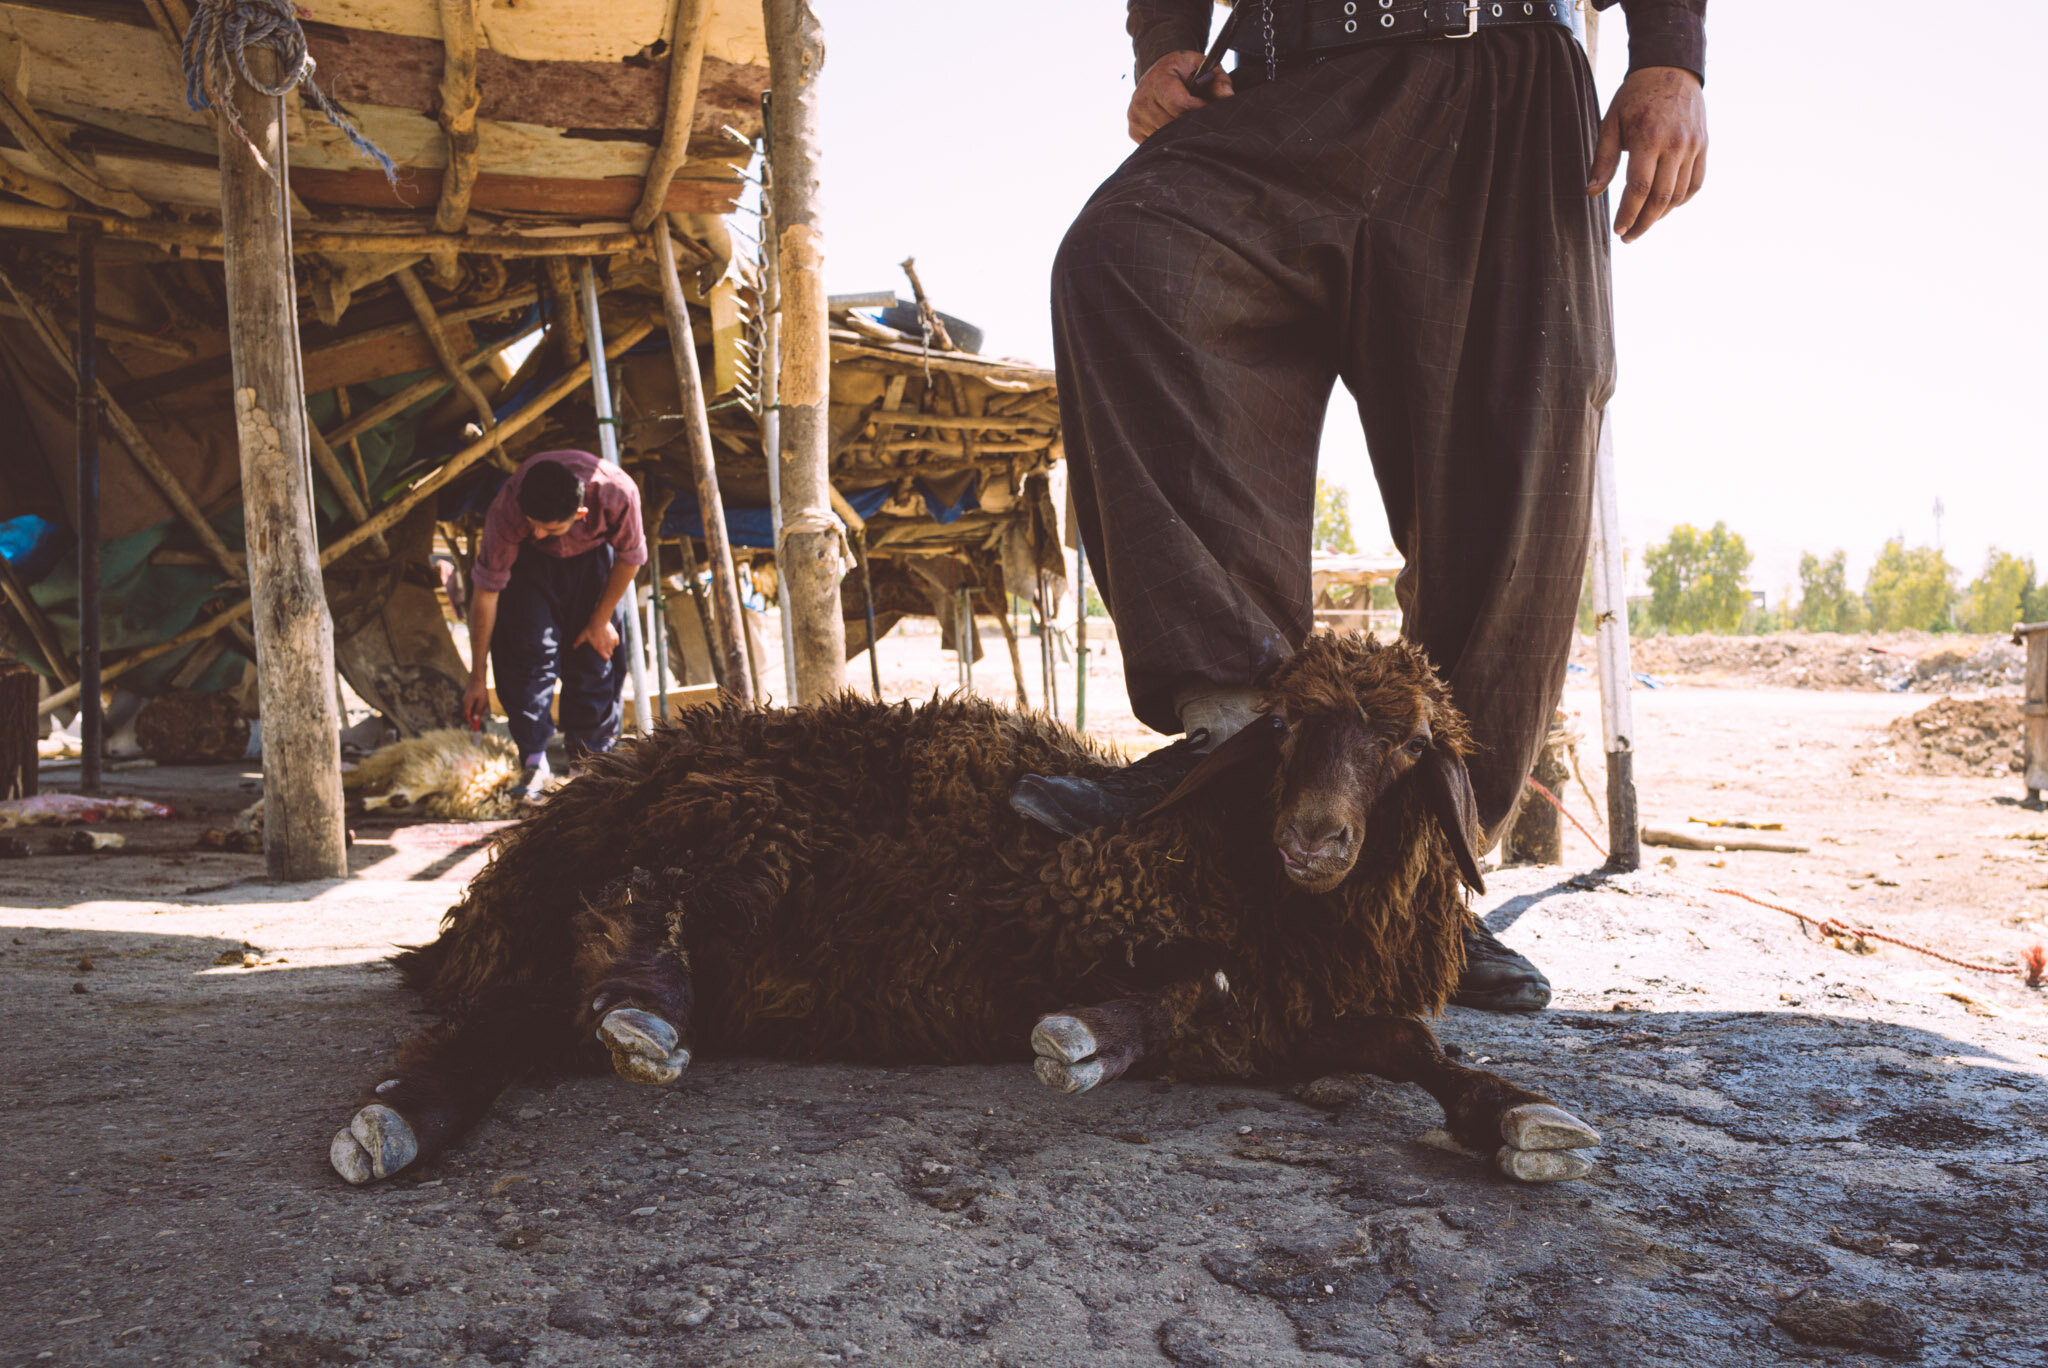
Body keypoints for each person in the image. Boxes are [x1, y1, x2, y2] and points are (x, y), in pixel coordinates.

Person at [1011, 0, 1707, 1011]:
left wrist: (1669, 57)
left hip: (1497, 73)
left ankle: (1424, 879)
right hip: (1282, 83)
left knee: (1514, 446)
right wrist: (1163, 41)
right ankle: (1242, 749)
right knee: (1129, 258)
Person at [460, 450, 647, 799]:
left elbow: (630, 558)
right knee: (527, 652)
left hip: (595, 564)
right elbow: (486, 595)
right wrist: (477, 676)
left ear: (580, 514)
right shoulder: (508, 511)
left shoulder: (617, 494)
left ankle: (590, 764)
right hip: (529, 567)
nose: (538, 531)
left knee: (595, 655)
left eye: (550, 527)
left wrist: (600, 619)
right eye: (533, 522)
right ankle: (534, 761)